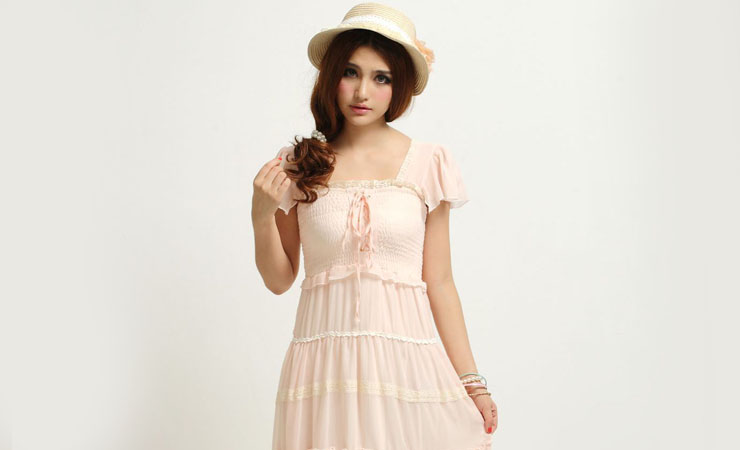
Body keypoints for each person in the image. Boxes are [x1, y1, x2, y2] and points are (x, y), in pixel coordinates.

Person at [252, 3, 498, 448]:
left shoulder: (428, 162)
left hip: (405, 369)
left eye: (381, 78)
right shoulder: (299, 165)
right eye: (351, 72)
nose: (362, 91)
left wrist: (472, 381)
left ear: (397, 86)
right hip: (324, 373)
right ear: (332, 76)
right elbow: (279, 279)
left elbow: (440, 281)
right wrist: (261, 215)